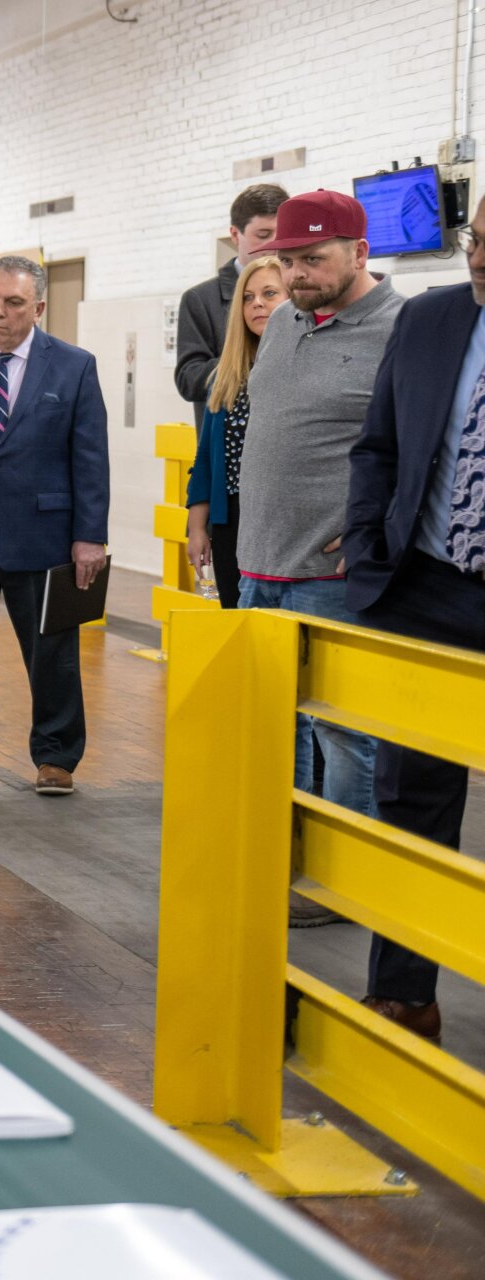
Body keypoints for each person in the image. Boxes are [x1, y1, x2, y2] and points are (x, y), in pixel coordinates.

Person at [237, 189, 402, 925]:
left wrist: (379, 529)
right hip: (259, 565)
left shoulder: (402, 329)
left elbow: (424, 445)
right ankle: (287, 865)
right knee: (272, 730)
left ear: (360, 252)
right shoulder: (284, 324)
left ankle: (342, 881)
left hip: (333, 575)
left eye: (314, 259)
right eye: (289, 260)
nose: (298, 274)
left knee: (345, 737)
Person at [341, 200, 485, 1042]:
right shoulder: (432, 319)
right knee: (411, 793)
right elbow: (380, 444)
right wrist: (369, 554)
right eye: (477, 243)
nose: (479, 263)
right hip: (427, 587)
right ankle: (402, 993)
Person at [0, 257, 110, 798]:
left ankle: (57, 754)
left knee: (51, 651)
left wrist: (90, 536)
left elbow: (90, 458)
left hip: (44, 533)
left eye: (13, 303)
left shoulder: (73, 366)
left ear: (38, 307)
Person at [185, 256, 288, 608]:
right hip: (231, 519)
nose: (257, 303)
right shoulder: (226, 376)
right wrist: (198, 528)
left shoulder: (300, 367)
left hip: (282, 519)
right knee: (237, 621)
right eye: (248, 296)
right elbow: (205, 460)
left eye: (270, 293)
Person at [175, 184, 288, 410]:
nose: (275, 245)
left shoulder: (302, 291)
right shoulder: (201, 299)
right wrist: (248, 356)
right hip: (227, 435)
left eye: (283, 234)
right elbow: (188, 381)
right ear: (235, 235)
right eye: (264, 235)